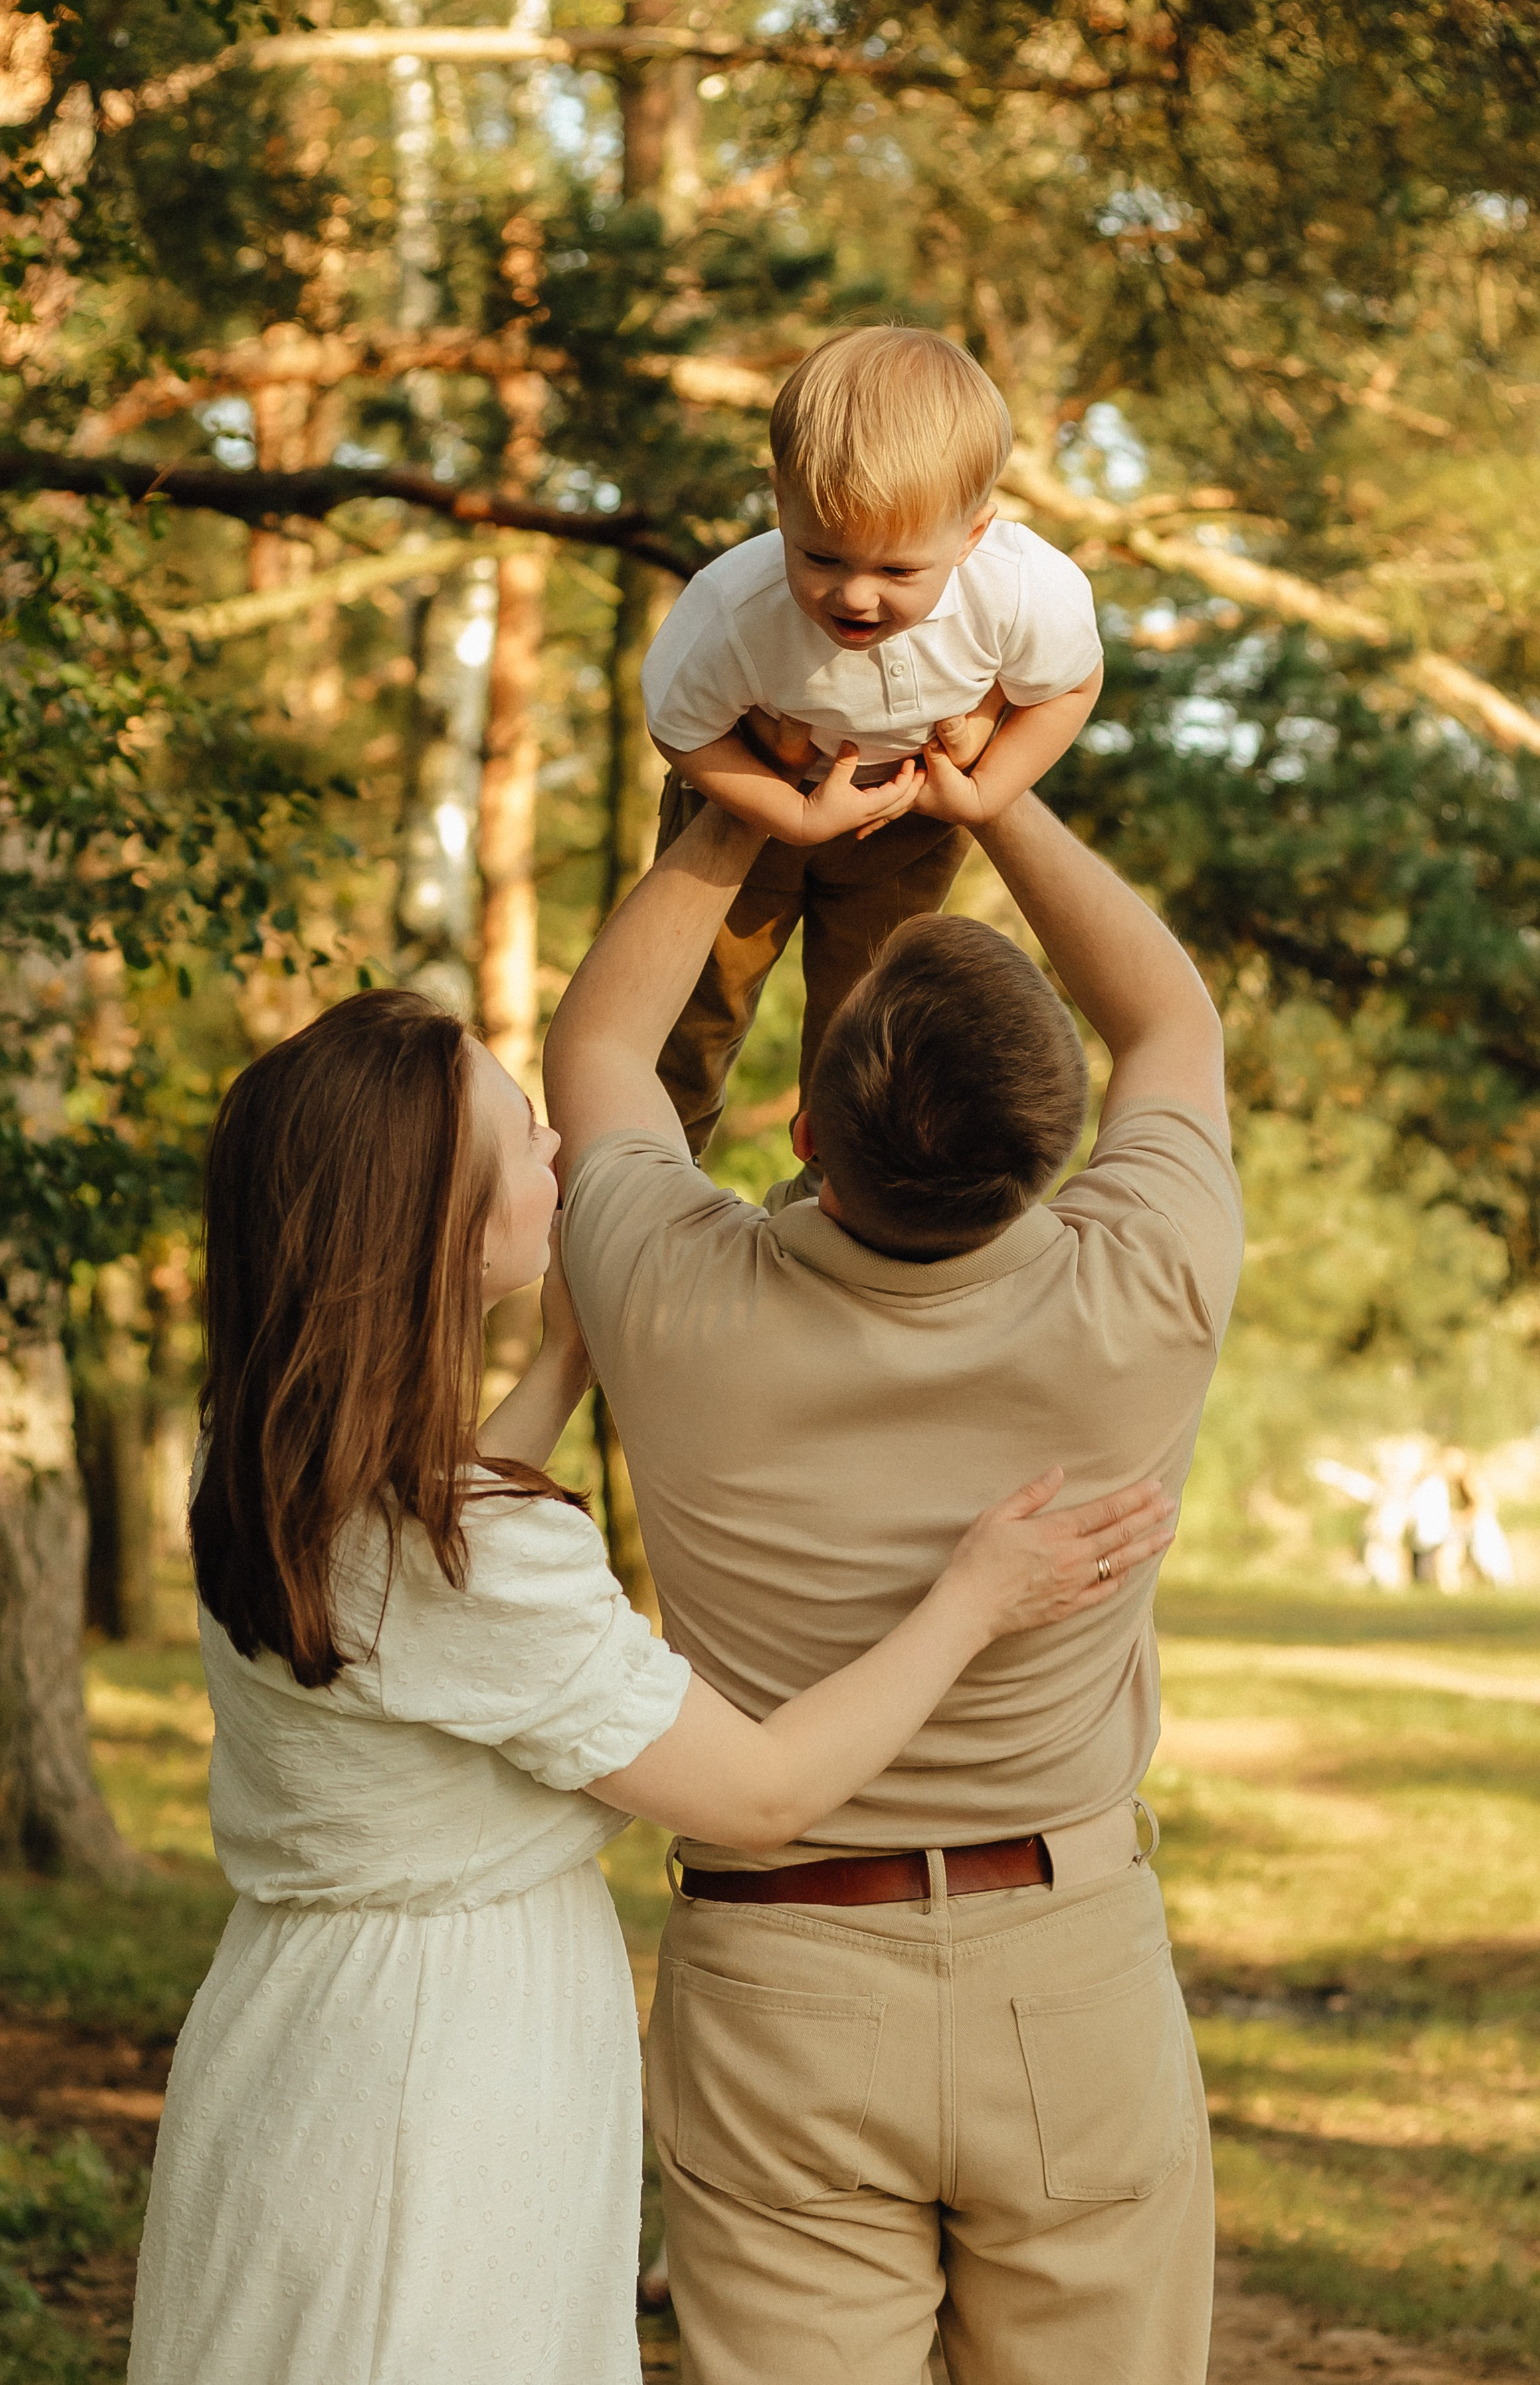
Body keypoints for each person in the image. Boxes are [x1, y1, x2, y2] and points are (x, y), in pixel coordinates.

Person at [125, 989, 1175, 2385]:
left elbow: (435, 1587)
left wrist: (566, 1359)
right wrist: (970, 1600)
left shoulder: (276, 1475)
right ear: (437, 1221)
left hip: (311, 2032)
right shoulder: (466, 1558)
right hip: (431, 2089)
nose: (562, 1146)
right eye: (522, 1134)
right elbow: (763, 1792)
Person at [543, 748, 1242, 2385]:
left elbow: (599, 1048)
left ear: (803, 1128)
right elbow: (1171, 1023)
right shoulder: (1142, 1288)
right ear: (1057, 1140)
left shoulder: (670, 1299)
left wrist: (742, 818)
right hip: (1064, 1964)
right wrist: (992, 793)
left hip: (778, 1981)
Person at [641, 324, 1104, 1156]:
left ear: (970, 535)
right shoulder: (732, 612)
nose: (853, 596)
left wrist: (990, 791)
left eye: (896, 572)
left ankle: (838, 1189)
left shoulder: (1023, 594)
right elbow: (680, 729)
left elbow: (1071, 686)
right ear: (780, 501)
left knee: (865, 1018)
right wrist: (782, 812)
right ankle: (648, 1170)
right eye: (819, 556)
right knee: (693, 1006)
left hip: (907, 820)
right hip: (751, 809)